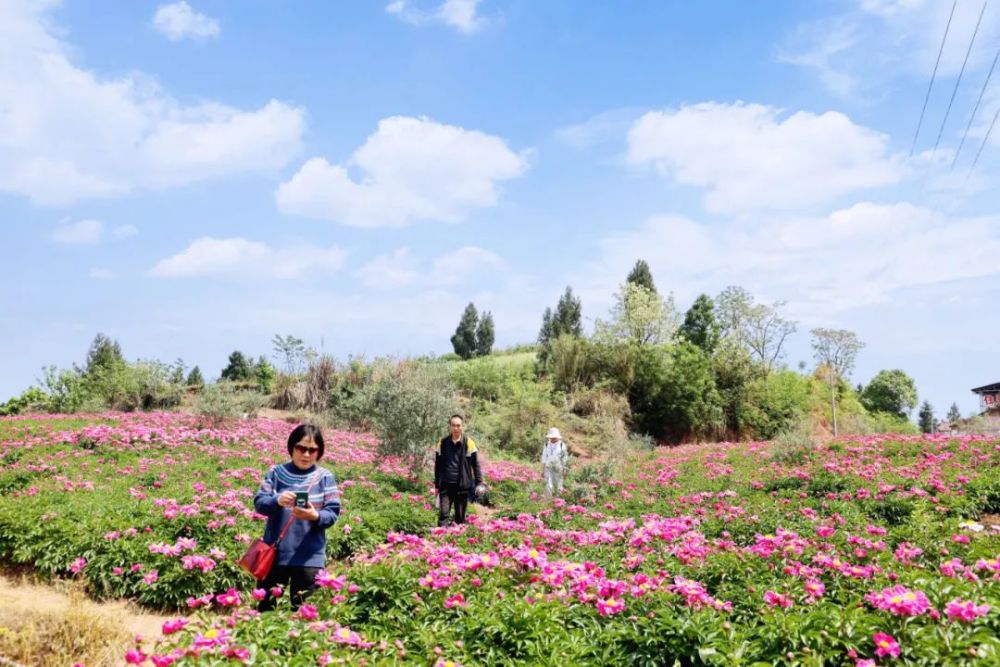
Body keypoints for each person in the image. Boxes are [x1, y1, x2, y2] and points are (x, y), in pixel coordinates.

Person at [253, 424, 340, 611]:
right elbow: (260, 503)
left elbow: (332, 514)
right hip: (274, 557)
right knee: (265, 613)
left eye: (312, 450)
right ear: (292, 447)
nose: (306, 454)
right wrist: (277, 500)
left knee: (305, 617)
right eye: (301, 448)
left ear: (319, 452)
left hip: (310, 559)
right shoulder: (275, 473)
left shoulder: (325, 477)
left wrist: (314, 516)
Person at [433, 414, 483, 527]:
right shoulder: (442, 443)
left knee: (460, 518)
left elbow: (476, 465)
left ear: (462, 426)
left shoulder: (469, 443)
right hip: (445, 485)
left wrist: (479, 483)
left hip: (462, 486)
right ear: (450, 426)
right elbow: (438, 466)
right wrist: (436, 485)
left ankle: (457, 541)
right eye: (453, 425)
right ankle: (440, 539)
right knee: (443, 515)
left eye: (458, 425)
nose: (456, 428)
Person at [541, 427, 569, 498]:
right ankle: (548, 501)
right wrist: (543, 470)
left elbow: (564, 458)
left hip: (558, 468)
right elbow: (544, 456)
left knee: (558, 486)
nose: (552, 439)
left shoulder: (562, 445)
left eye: (554, 437)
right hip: (548, 467)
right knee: (547, 484)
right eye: (551, 437)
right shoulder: (547, 444)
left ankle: (557, 502)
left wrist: (564, 469)